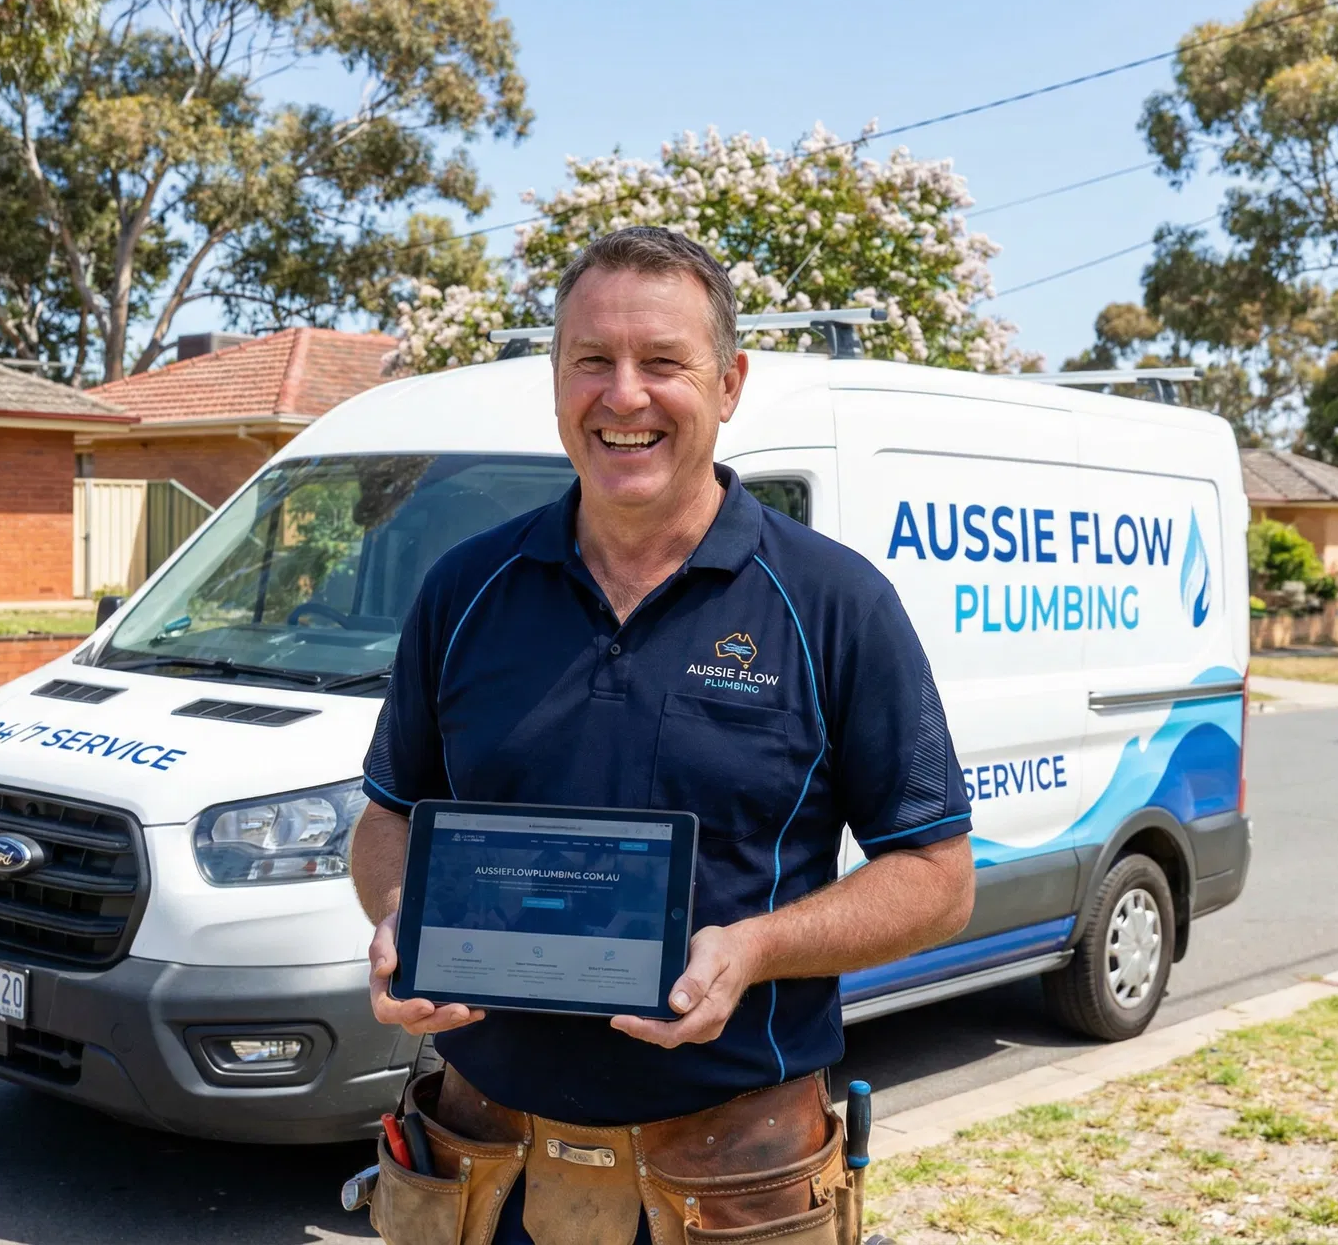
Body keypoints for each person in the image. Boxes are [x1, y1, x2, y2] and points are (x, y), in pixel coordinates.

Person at [350, 226, 976, 1245]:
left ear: (729, 383)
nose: (624, 395)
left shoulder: (834, 604)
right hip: (482, 1175)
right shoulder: (465, 590)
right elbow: (387, 816)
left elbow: (940, 876)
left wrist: (756, 949)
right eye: (592, 361)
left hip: (732, 1186)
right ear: (556, 381)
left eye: (663, 363)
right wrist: (394, 918)